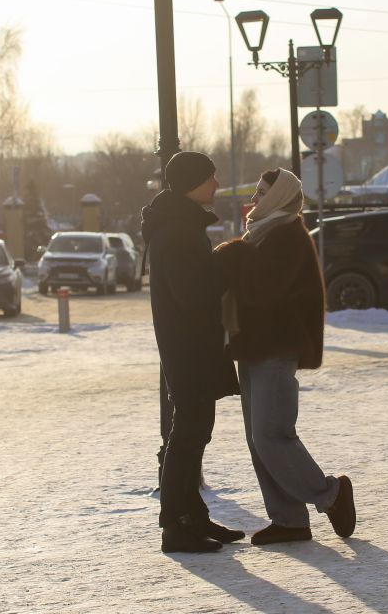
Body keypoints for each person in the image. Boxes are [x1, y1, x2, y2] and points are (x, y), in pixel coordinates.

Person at [214, 168, 356, 546]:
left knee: (272, 435)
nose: (255, 200)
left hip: (276, 347)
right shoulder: (263, 232)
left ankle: (331, 494)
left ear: (279, 198)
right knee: (258, 439)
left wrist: (233, 253)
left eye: (262, 193)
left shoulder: (286, 235)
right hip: (255, 346)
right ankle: (289, 519)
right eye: (256, 193)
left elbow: (263, 290)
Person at [140, 151, 242, 553]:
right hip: (189, 347)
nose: (216, 184)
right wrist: (226, 265)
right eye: (210, 177)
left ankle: (192, 518)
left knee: (195, 432)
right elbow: (192, 292)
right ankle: (175, 526)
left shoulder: (179, 224)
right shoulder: (179, 230)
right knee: (188, 434)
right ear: (191, 183)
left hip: (189, 345)